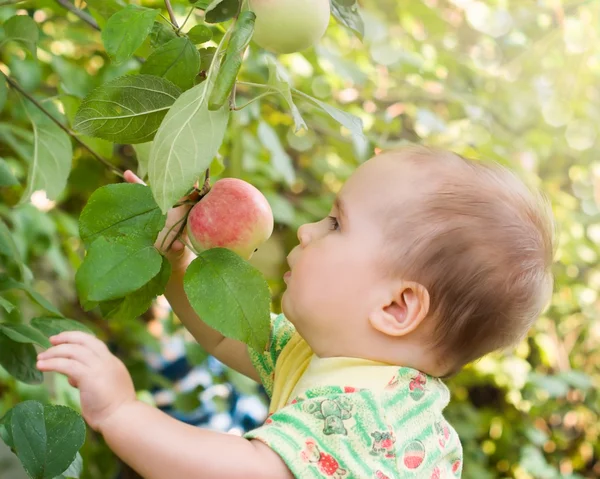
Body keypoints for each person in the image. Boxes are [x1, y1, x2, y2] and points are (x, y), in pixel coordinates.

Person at [36, 146, 555, 479]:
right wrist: (176, 262)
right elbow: (226, 337)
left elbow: (245, 471)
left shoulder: (370, 418)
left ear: (396, 306)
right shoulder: (323, 356)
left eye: (335, 224)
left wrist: (121, 413)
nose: (307, 230)